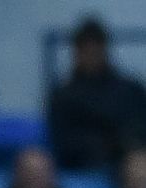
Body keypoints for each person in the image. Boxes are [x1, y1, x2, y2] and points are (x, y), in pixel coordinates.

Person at [48, 18, 146, 170]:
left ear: (105, 50)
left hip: (132, 160)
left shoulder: (131, 90)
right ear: (77, 53)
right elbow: (65, 142)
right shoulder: (63, 98)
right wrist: (108, 146)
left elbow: (140, 126)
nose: (92, 56)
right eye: (86, 50)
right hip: (88, 165)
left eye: (96, 49)